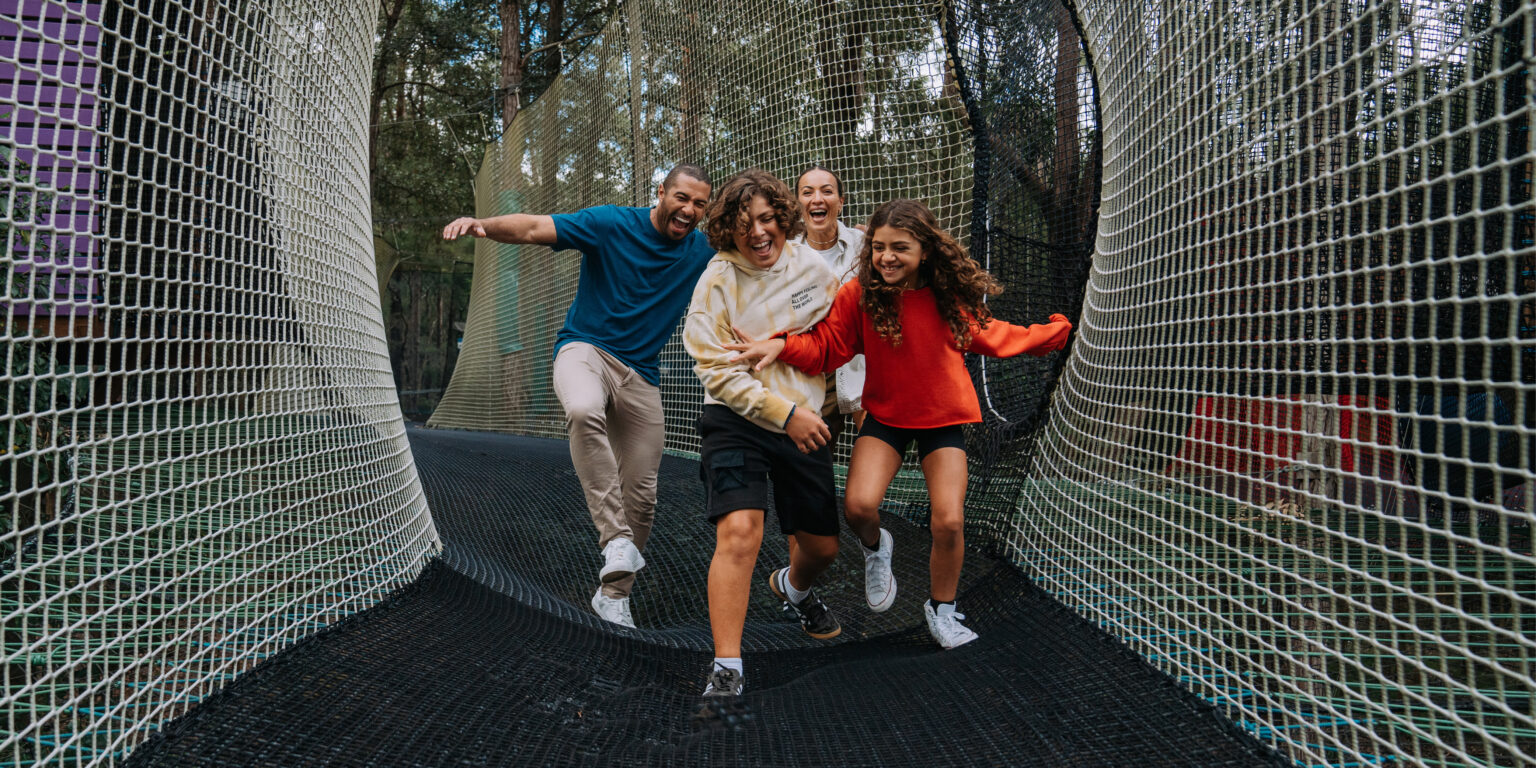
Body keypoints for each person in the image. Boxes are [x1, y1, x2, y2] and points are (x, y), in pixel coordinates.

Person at [727, 198, 1072, 650]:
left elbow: (996, 336)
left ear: (925, 251)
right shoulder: (860, 295)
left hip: (942, 421)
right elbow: (828, 346)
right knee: (858, 507)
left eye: (900, 248)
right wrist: (781, 345)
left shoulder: (947, 297)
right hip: (887, 418)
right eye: (879, 247)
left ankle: (942, 610)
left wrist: (1055, 333)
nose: (886, 257)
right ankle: (877, 547)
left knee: (949, 520)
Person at [441, 164, 715, 629]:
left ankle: (614, 596)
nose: (689, 210)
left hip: (642, 374)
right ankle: (615, 540)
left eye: (699, 204)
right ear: (661, 192)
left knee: (643, 497)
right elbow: (533, 228)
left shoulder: (702, 250)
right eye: (682, 198)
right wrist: (483, 225)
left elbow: (762, 246)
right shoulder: (611, 223)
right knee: (584, 408)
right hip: (585, 349)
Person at [683, 169, 843, 697]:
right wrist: (783, 414)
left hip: (806, 423)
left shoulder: (812, 269)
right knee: (739, 533)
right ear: (728, 229)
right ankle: (727, 667)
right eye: (744, 223)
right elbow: (718, 373)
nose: (758, 232)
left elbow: (839, 334)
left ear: (783, 219)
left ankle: (793, 587)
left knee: (822, 548)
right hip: (737, 422)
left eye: (768, 219)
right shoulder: (716, 282)